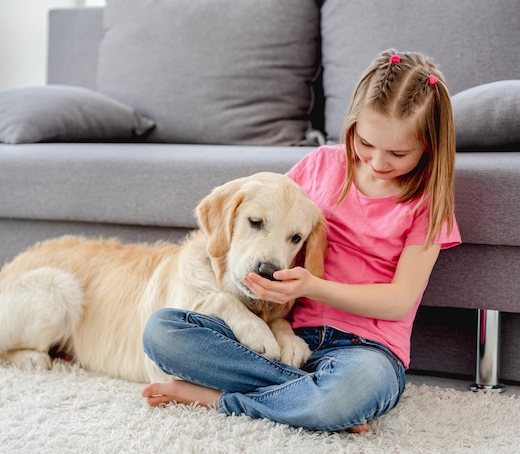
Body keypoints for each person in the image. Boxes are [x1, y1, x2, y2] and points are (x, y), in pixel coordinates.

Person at [140, 49, 461, 433]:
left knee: (350, 391)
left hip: (367, 351)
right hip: (290, 337)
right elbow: (266, 217)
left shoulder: (428, 203)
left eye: (398, 153)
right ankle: (314, 401)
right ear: (353, 125)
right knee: (162, 332)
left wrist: (313, 286)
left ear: (429, 146)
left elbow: (398, 301)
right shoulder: (320, 166)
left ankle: (217, 398)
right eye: (365, 144)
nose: (377, 162)